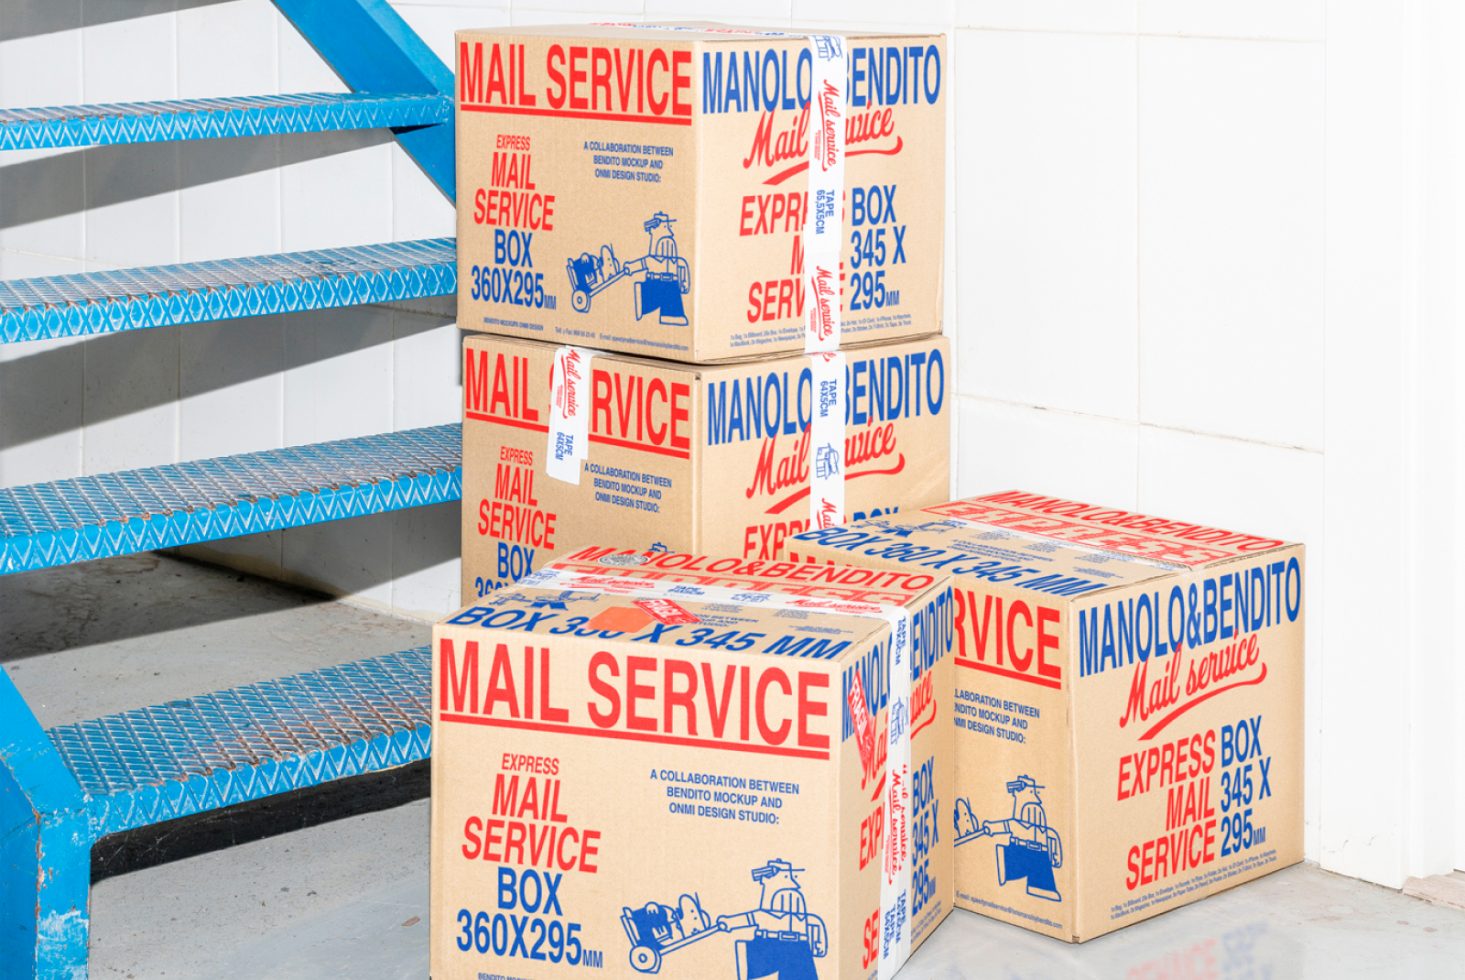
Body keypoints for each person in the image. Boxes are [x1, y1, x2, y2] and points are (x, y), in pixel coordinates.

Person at [716, 859, 821, 980]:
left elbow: (759, 917)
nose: (763, 881)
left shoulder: (783, 896)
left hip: (786, 948)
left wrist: (730, 922)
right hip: (780, 947)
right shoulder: (783, 896)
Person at [969, 775, 1064, 902]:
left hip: (1036, 852)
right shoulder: (1024, 815)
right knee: (1032, 868)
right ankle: (1009, 865)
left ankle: (1014, 869)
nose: (1037, 800)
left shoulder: (1033, 813)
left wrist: (1055, 852)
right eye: (1031, 792)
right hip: (1028, 850)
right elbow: (1011, 825)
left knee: (1037, 872)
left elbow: (1017, 825)